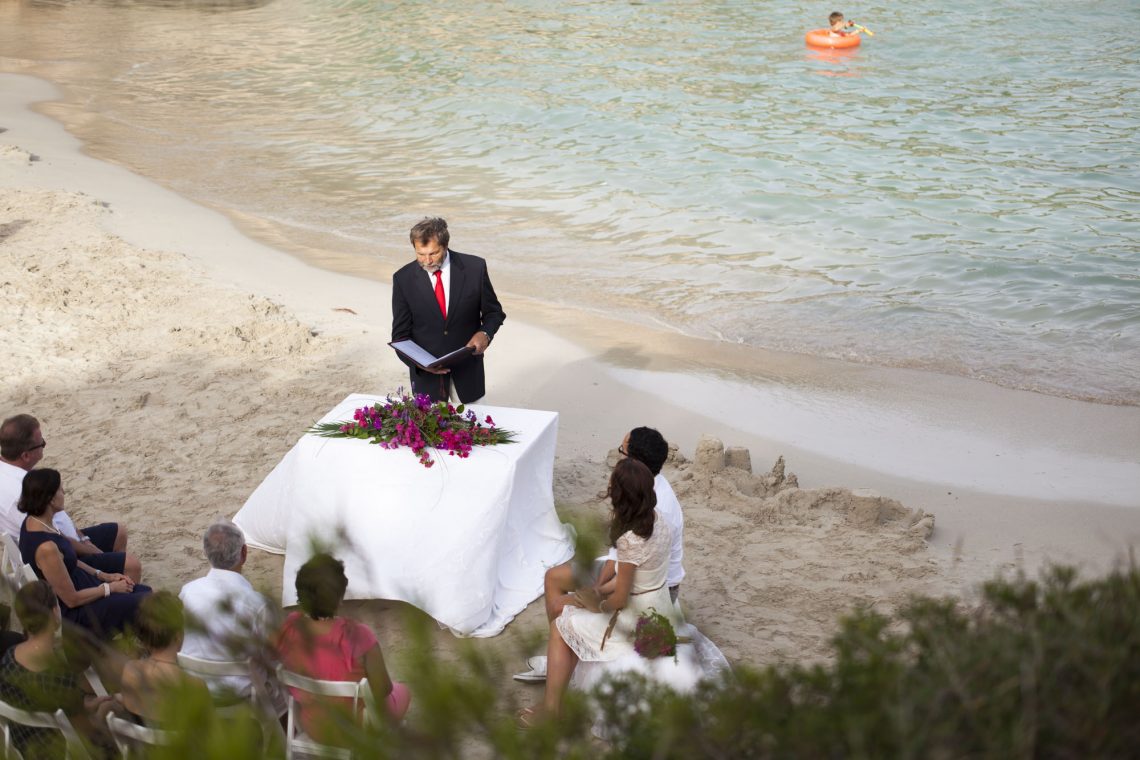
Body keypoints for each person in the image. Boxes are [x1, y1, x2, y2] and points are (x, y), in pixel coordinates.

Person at [518, 458, 684, 724]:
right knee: (564, 605)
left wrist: (595, 602)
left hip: (636, 617)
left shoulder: (631, 541)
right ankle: (560, 675)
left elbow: (620, 598)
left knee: (561, 623)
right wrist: (595, 591)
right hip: (656, 603)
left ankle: (552, 710)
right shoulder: (658, 520)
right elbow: (634, 577)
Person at [276, 553, 410, 744]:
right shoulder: (358, 635)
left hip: (312, 726)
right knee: (402, 691)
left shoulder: (289, 628)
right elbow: (384, 689)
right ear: (339, 597)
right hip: (355, 730)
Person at [0, 414, 141, 583]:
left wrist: (84, 538)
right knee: (132, 564)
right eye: (42, 443)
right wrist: (93, 551)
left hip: (64, 542)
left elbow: (58, 521)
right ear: (26, 456)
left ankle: (112, 585)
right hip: (60, 560)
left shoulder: (9, 471)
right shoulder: (22, 493)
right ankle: (118, 598)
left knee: (119, 532)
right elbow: (55, 539)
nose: (44, 445)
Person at [17, 469, 151, 639]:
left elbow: (68, 559)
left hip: (83, 583)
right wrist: (109, 588)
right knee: (147, 602)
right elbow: (71, 599)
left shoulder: (36, 521)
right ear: (50, 498)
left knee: (144, 592)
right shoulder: (46, 548)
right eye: (60, 489)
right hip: (77, 613)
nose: (64, 493)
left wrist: (103, 575)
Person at [391, 217, 506, 403]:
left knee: (477, 430)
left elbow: (494, 312)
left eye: (433, 253)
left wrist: (485, 333)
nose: (426, 261)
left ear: (445, 245)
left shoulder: (474, 268)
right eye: (420, 254)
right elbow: (400, 336)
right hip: (427, 382)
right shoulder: (402, 279)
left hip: (468, 373)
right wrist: (420, 366)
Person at [0, 580, 118, 759]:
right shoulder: (58, 675)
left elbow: (52, 709)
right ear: (55, 612)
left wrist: (86, 704)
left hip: (23, 746)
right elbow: (87, 733)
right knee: (114, 712)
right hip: (60, 752)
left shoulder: (8, 658)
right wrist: (103, 712)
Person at [179, 520, 284, 714]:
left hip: (197, 690)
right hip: (244, 699)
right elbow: (273, 659)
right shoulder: (257, 604)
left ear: (206, 553)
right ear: (244, 553)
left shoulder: (188, 591)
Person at [119, 591, 213, 726]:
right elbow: (212, 735)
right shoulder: (194, 686)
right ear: (178, 636)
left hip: (142, 746)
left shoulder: (130, 671)